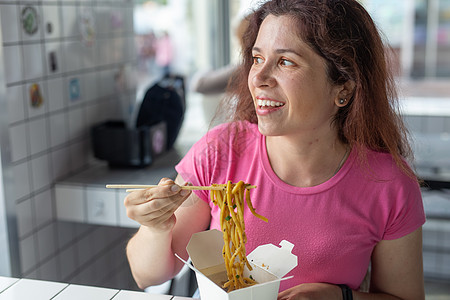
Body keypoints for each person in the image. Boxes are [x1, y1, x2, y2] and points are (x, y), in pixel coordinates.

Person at [125, 0, 426, 299]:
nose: (257, 78)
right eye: (257, 59)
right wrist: (156, 227)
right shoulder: (220, 152)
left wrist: (338, 298)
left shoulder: (389, 184)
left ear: (343, 87)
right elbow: (146, 274)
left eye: (285, 62)